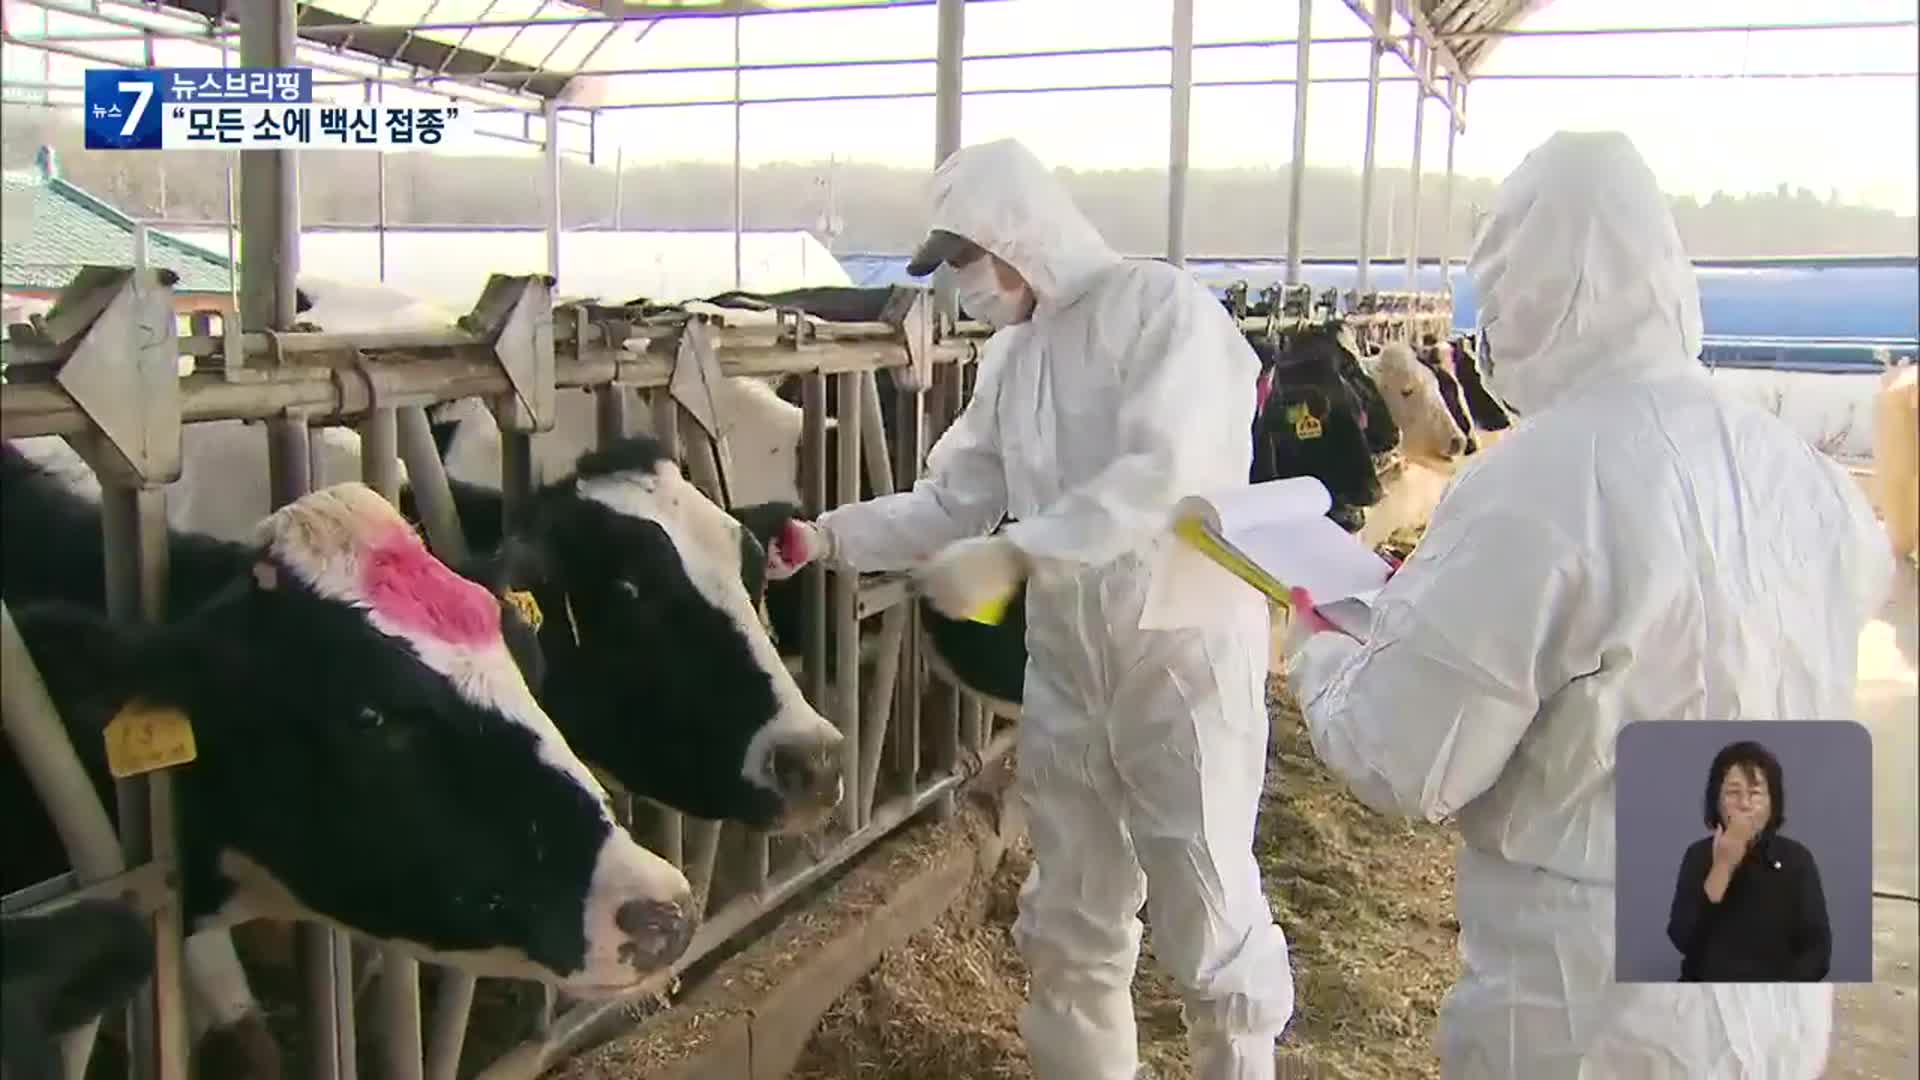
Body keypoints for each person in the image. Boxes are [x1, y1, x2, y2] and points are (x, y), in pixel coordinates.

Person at [1280, 130, 1894, 1078]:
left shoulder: (1544, 478)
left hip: (1599, 1008)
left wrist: (1321, 642)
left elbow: (1408, 760)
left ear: (1539, 290)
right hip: (1772, 966)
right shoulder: (1796, 470)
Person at [766, 137, 1297, 1080]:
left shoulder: (1162, 311)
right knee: (1071, 914)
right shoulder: (1014, 356)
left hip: (1179, 649)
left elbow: (1164, 479)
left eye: (969, 259)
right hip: (1069, 665)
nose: (963, 286)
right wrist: (830, 536)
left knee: (1206, 907)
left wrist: (1018, 550)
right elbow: (952, 497)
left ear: (1022, 235)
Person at [1666, 740, 1832, 982]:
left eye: (1755, 794)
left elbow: (1818, 951)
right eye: (1733, 793)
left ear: (1772, 802)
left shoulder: (1797, 860)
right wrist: (1722, 867)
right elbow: (1682, 938)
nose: (1744, 804)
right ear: (1717, 801)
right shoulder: (1698, 855)